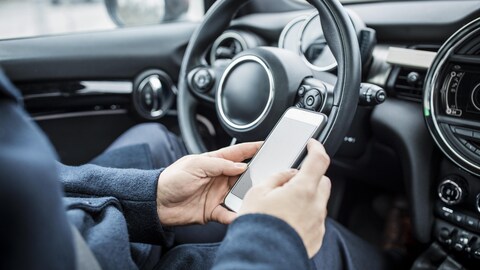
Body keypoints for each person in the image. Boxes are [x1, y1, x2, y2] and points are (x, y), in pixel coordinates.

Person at [0, 68, 390, 270]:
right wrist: (274, 239)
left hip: (73, 237)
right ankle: (396, 254)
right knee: (323, 246)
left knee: (154, 139)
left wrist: (150, 196)